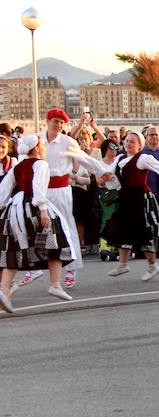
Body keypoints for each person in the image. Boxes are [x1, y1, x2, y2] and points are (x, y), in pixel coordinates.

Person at [15, 109, 110, 292]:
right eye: (55, 121)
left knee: (66, 227)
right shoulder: (36, 139)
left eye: (61, 122)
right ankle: (34, 267)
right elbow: (21, 156)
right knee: (34, 226)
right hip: (39, 189)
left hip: (60, 190)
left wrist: (101, 171)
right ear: (47, 121)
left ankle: (72, 268)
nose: (58, 125)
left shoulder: (68, 142)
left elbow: (85, 159)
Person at [0, 135, 77, 312]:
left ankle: (4, 290)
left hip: (16, 209)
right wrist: (43, 209)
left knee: (15, 248)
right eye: (42, 145)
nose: (44, 148)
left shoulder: (17, 166)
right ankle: (55, 284)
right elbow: (38, 187)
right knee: (56, 242)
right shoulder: (41, 164)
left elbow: (3, 191)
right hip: (34, 206)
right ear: (36, 148)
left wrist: (3, 207)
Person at [102, 131, 159, 281]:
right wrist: (107, 178)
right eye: (127, 141)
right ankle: (123, 264)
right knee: (122, 229)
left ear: (139, 145)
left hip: (140, 199)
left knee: (142, 233)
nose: (128, 144)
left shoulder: (142, 158)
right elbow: (114, 180)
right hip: (125, 198)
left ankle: (152, 265)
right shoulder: (120, 158)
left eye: (132, 142)